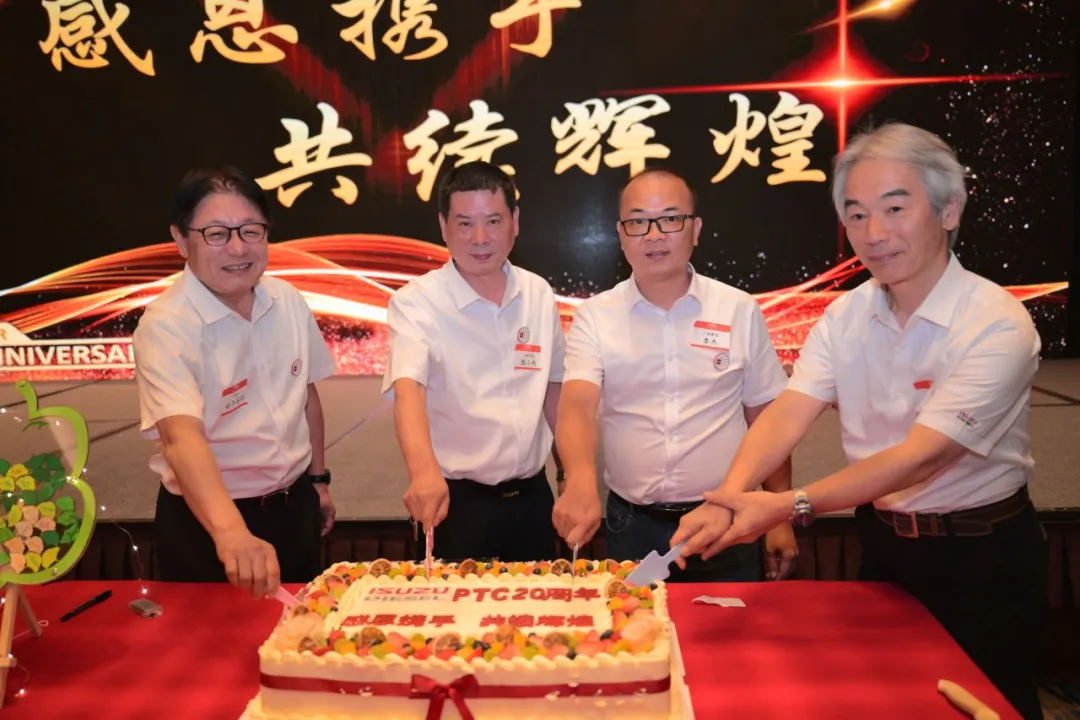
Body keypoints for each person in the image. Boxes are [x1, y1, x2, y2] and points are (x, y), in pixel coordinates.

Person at [672, 123, 1047, 717]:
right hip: (884, 547)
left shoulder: (996, 323)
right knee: (887, 701)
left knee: (989, 706)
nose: (874, 233)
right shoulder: (846, 315)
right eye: (856, 214)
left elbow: (921, 456)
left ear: (949, 210)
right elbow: (789, 410)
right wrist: (729, 496)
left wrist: (790, 504)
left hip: (982, 555)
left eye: (895, 209)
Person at [552, 167, 797, 581]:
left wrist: (778, 514)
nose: (654, 235)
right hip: (632, 526)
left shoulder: (738, 310)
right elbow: (576, 405)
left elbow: (766, 418)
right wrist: (578, 478)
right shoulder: (596, 316)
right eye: (638, 222)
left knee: (730, 624)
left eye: (670, 219)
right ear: (621, 234)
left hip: (726, 521)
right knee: (633, 623)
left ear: (695, 229)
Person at [134, 167, 336, 598]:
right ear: (180, 239)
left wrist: (319, 480)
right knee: (213, 638)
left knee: (303, 630)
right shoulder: (166, 326)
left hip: (294, 508)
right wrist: (230, 533)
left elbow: (305, 396)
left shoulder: (287, 301)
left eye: (251, 230)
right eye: (217, 234)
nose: (238, 248)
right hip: (209, 521)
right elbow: (180, 439)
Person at [383, 161, 564, 561]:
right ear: (443, 225)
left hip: (533, 497)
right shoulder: (416, 302)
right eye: (465, 224)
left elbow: (555, 389)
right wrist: (422, 473)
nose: (480, 238)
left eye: (493, 221)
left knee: (542, 600)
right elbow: (408, 390)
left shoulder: (538, 293)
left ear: (515, 221)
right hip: (456, 503)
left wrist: (568, 471)